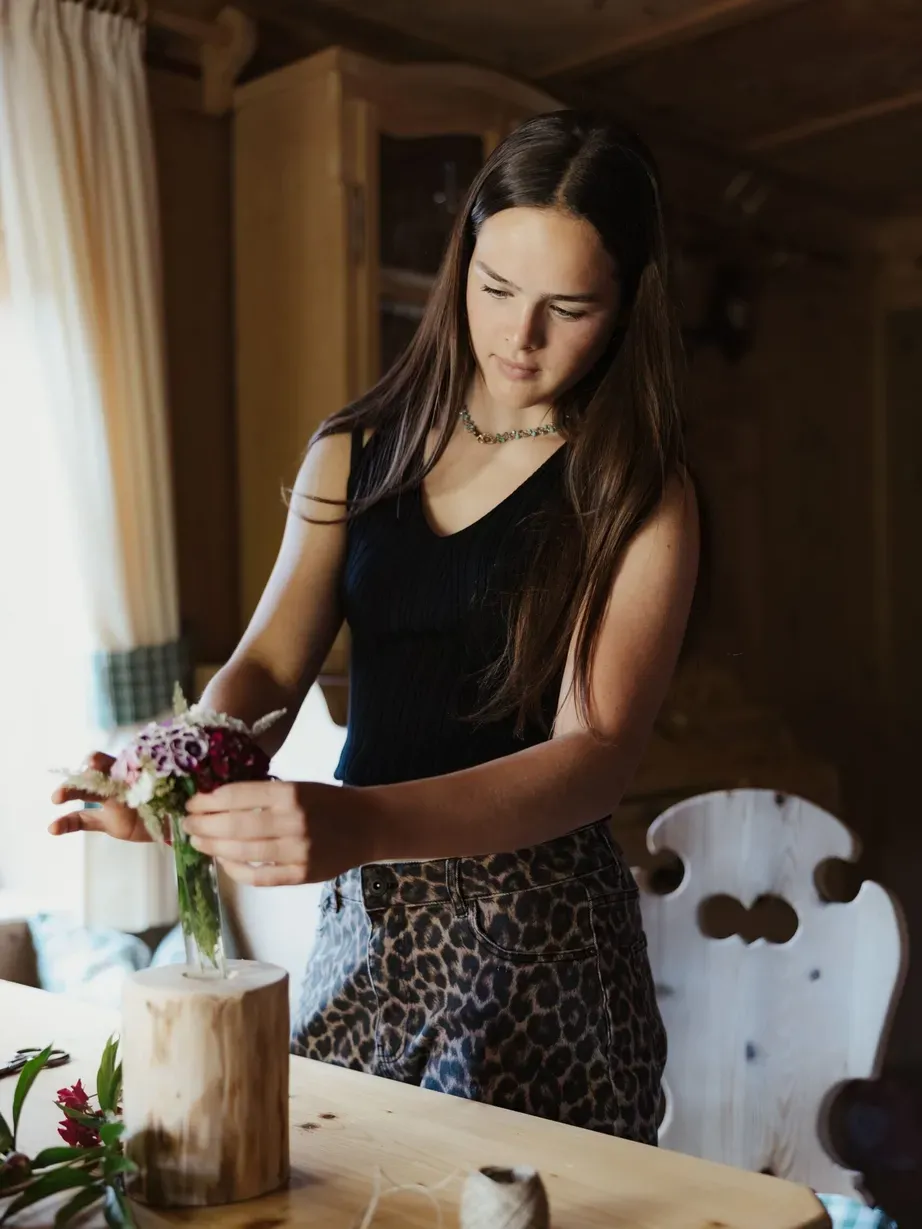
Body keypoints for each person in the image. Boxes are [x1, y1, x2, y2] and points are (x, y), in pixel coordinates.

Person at [51, 110, 699, 1145]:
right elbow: (268, 659)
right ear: (462, 260)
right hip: (370, 921)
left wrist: (359, 823)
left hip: (541, 939)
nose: (517, 336)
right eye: (494, 288)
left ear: (625, 306)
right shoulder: (354, 451)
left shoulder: (636, 490)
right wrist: (179, 769)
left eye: (565, 307)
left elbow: (594, 756)